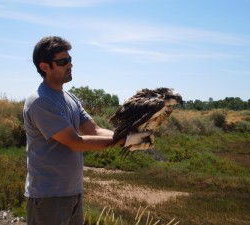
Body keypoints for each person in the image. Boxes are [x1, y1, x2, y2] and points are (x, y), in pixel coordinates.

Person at [23, 36, 153, 225]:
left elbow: (96, 130)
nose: (70, 65)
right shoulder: (41, 101)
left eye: (70, 59)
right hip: (48, 196)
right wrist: (126, 141)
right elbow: (75, 142)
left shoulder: (70, 98)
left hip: (72, 192)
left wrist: (132, 134)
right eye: (62, 62)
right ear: (45, 67)